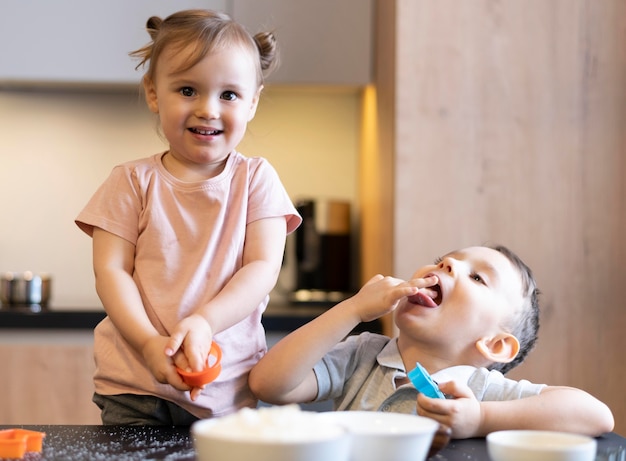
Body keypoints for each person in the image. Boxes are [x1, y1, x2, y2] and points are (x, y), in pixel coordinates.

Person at [75, 9, 301, 425]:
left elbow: (263, 268)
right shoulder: (129, 181)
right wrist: (147, 344)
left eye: (228, 95)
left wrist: (204, 322)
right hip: (135, 385)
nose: (208, 109)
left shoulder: (256, 179)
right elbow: (111, 272)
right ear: (154, 93)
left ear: (252, 102)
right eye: (187, 90)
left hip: (231, 386)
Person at [249, 245, 615, 438]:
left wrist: (480, 419)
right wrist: (352, 309)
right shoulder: (362, 356)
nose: (447, 266)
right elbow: (269, 384)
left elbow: (595, 416)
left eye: (477, 278)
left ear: (495, 345)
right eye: (443, 261)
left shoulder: (480, 392)